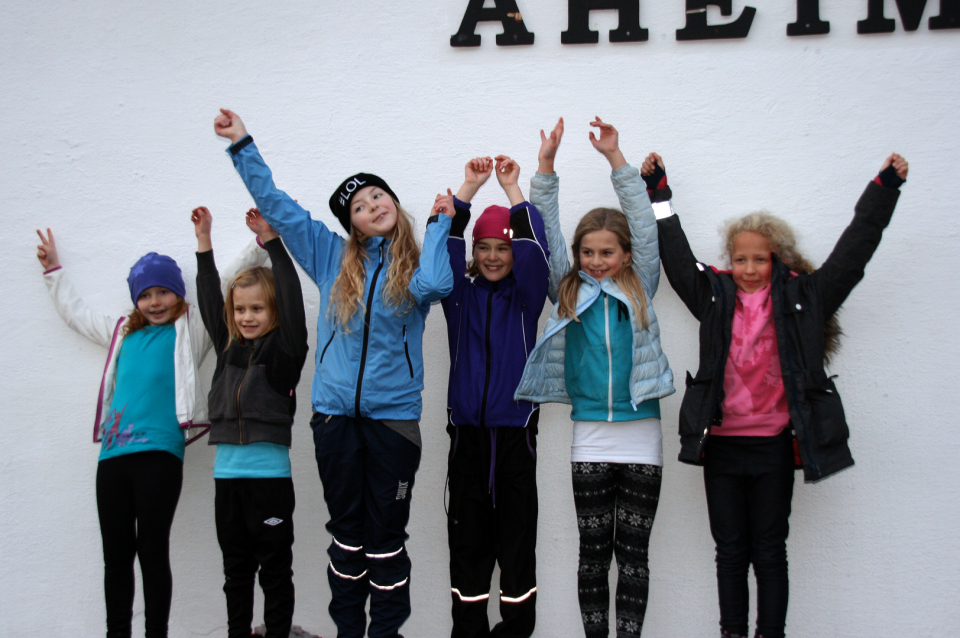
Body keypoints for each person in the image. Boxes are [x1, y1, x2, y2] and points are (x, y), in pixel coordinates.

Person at [213, 108, 454, 638]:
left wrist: (440, 225)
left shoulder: (415, 266)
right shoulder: (328, 255)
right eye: (360, 206)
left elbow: (439, 285)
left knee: (386, 540)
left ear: (394, 203)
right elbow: (276, 204)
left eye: (379, 196)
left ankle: (384, 632)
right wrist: (242, 144)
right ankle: (348, 632)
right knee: (346, 537)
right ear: (351, 225)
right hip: (335, 422)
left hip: (393, 425)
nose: (373, 206)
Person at [652, 152, 909, 638]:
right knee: (730, 552)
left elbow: (854, 252)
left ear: (778, 259)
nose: (749, 268)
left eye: (760, 259)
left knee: (769, 551)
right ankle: (732, 632)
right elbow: (678, 261)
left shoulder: (806, 297)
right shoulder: (714, 296)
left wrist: (884, 189)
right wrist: (659, 194)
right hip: (722, 447)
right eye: (741, 259)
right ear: (730, 260)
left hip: (772, 448)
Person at [36, 227, 261, 638]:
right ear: (135, 300)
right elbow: (78, 316)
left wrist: (259, 243)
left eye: (163, 292)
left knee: (152, 551)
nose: (155, 302)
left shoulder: (191, 329)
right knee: (116, 556)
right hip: (112, 458)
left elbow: (226, 283)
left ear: (179, 294)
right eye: (145, 295)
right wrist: (54, 272)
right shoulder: (122, 332)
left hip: (160, 454)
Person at [514, 118, 675, 638]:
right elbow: (546, 232)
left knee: (633, 556)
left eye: (607, 252)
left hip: (642, 434)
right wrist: (545, 166)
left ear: (625, 255)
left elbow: (644, 225)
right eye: (588, 252)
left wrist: (615, 159)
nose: (597, 261)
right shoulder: (568, 289)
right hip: (590, 436)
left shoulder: (640, 285)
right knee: (593, 554)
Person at [434, 152, 550, 638]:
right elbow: (441, 249)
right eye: (483, 247)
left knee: (517, 545)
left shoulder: (527, 299)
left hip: (515, 437)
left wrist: (511, 190)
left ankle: (516, 630)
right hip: (467, 439)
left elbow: (536, 250)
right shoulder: (458, 296)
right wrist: (466, 191)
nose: (494, 256)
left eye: (502, 247)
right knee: (468, 547)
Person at [191, 206, 309, 638]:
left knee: (274, 571)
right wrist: (204, 242)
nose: (247, 317)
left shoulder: (284, 353)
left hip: (269, 483)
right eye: (240, 309)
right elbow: (210, 298)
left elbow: (292, 299)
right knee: (235, 570)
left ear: (273, 312)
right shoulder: (227, 348)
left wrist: (273, 244)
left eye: (257, 308)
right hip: (228, 482)